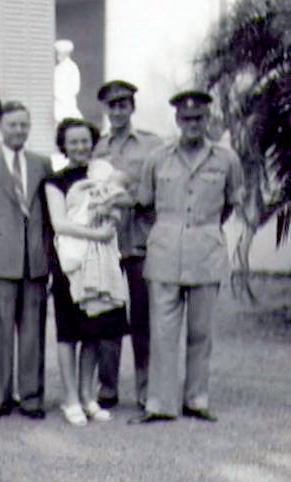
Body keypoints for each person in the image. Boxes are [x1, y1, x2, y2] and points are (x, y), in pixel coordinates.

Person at [130, 91, 245, 424]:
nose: (192, 124)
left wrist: (202, 231)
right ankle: (160, 403)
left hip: (207, 252)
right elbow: (144, 203)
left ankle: (196, 399)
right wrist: (170, 230)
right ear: (177, 121)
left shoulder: (226, 159)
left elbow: (228, 205)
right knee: (162, 332)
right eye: (186, 119)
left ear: (207, 120)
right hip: (165, 252)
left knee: (200, 332)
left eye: (198, 119)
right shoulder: (158, 157)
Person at [0, 101, 53, 421]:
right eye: (13, 125)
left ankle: (31, 398)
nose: (19, 131)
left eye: (24, 125)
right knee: (0, 334)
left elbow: (50, 218)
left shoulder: (42, 163)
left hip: (34, 263)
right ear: (1, 127)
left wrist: (50, 262)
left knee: (33, 334)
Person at [45, 118, 130, 426]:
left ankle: (87, 396)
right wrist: (97, 234)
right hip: (71, 264)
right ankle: (69, 399)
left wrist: (111, 212)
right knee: (69, 334)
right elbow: (60, 223)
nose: (80, 147)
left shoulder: (104, 175)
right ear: (64, 146)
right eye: (73, 142)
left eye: (84, 140)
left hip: (101, 262)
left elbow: (117, 211)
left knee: (94, 331)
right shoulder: (55, 181)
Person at [92, 80, 164, 409]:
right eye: (112, 106)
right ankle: (107, 386)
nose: (117, 111)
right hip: (106, 244)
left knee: (143, 319)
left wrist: (130, 200)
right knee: (108, 313)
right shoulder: (98, 148)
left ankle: (146, 387)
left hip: (141, 243)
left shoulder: (151, 145)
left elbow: (161, 191)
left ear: (132, 107)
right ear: (106, 110)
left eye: (123, 105)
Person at [54, 39, 83, 123]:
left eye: (60, 53)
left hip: (67, 102)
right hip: (58, 103)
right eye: (58, 52)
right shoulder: (57, 68)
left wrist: (65, 97)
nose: (58, 55)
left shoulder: (72, 67)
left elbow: (75, 87)